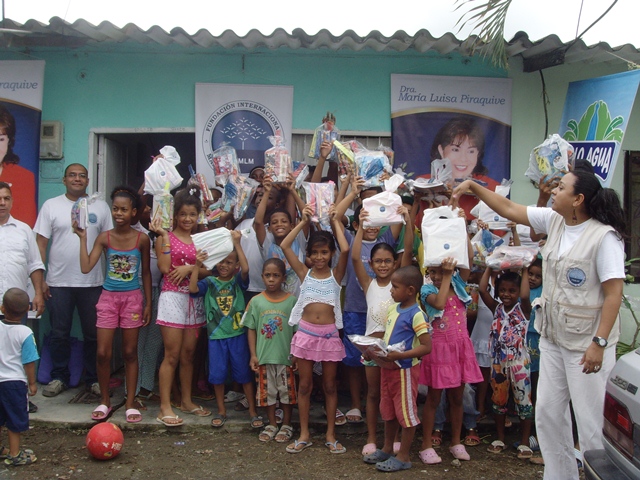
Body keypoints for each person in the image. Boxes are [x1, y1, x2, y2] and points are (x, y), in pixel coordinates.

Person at [451, 170, 626, 480]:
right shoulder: (555, 220)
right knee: (546, 414)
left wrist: (598, 344)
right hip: (554, 340)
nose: (553, 191)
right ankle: (560, 475)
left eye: (561, 188)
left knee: (589, 423)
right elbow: (509, 209)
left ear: (578, 199)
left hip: (586, 346)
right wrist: (472, 187)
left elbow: (614, 294)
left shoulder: (604, 237)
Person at [74, 186, 152, 423]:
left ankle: (130, 402)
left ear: (134, 212)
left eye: (124, 209)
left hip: (133, 299)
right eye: (115, 209)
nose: (119, 213)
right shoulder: (104, 237)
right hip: (108, 299)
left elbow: (147, 273)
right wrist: (83, 238)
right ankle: (105, 400)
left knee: (129, 352)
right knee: (102, 352)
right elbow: (86, 267)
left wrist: (147, 303)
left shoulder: (142, 239)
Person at [35, 163, 113, 397]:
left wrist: (112, 281)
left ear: (88, 181)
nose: (77, 179)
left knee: (93, 333)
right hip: (58, 282)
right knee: (59, 332)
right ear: (64, 180)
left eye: (82, 176)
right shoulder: (52, 206)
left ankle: (93, 379)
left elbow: (110, 243)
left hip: (94, 283)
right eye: (72, 175)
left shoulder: (100, 206)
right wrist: (41, 280)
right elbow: (40, 243)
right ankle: (59, 377)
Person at [334, 174, 401, 425]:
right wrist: (353, 193)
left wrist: (390, 190)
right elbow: (335, 216)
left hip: (384, 316)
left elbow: (398, 218)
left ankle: (379, 403)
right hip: (354, 309)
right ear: (357, 222)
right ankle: (355, 404)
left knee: (379, 361)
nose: (372, 224)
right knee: (354, 360)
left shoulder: (385, 242)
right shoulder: (352, 239)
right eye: (365, 218)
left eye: (375, 219)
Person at [282, 205, 349, 455]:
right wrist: (304, 221)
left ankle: (331, 434)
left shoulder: (336, 274)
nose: (320, 257)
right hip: (306, 335)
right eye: (315, 253)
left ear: (330, 253)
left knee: (330, 386)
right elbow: (286, 246)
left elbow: (345, 248)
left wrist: (334, 222)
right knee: (305, 386)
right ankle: (304, 434)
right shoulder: (304, 273)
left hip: (330, 335)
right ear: (309, 254)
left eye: (324, 252)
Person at [352, 207, 414, 456]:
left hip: (396, 351)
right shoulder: (368, 283)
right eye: (378, 261)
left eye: (388, 260)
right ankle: (370, 438)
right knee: (374, 394)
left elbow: (408, 250)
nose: (383, 265)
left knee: (394, 395)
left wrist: (408, 221)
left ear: (395, 263)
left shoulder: (400, 284)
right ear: (372, 263)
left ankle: (394, 438)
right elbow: (355, 258)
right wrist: (359, 228)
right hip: (372, 349)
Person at [189, 232, 262, 429]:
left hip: (238, 335)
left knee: (244, 375)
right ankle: (221, 410)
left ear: (235, 266)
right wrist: (197, 265)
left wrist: (237, 243)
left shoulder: (237, 281)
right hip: (216, 335)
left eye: (229, 262)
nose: (224, 265)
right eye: (221, 262)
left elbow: (246, 268)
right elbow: (193, 289)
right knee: (218, 375)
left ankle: (253, 412)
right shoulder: (210, 283)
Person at [362, 266, 432, 472]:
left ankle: (403, 456)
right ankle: (387, 448)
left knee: (406, 413)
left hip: (405, 370)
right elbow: (387, 337)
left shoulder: (417, 314)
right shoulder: (394, 309)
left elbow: (426, 346)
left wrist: (400, 356)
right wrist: (372, 351)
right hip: (388, 368)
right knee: (389, 410)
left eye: (395, 287)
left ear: (410, 290)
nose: (391, 291)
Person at [150, 190, 211, 427]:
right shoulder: (164, 237)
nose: (187, 219)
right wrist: (164, 234)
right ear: (175, 216)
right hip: (172, 299)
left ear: (198, 216)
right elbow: (165, 268)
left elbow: (209, 269)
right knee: (172, 355)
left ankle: (186, 400)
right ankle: (165, 406)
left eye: (192, 214)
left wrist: (189, 269)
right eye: (183, 214)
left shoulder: (200, 241)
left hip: (194, 300)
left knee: (188, 355)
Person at [418, 257, 483, 464]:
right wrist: (446, 275)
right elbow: (439, 303)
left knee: (457, 397)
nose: (436, 276)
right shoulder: (427, 291)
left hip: (460, 349)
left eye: (441, 271)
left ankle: (456, 441)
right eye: (432, 272)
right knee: (434, 399)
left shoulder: (458, 284)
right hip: (439, 349)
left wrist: (461, 226)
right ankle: (426, 445)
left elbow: (469, 258)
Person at [479, 268, 534, 458]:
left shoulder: (524, 309)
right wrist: (489, 267)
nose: (506, 294)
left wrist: (525, 269)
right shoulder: (497, 308)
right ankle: (500, 438)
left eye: (512, 291)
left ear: (518, 292)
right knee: (498, 401)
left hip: (519, 363)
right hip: (498, 363)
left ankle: (525, 442)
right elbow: (482, 290)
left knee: (524, 402)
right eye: (502, 290)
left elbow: (526, 294)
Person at [242, 258, 298, 443]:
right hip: (264, 358)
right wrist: (253, 355)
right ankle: (272, 424)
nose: (271, 279)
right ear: (262, 277)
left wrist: (296, 355)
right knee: (268, 393)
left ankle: (287, 424)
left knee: (287, 393)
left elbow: (297, 331)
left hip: (285, 358)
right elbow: (251, 328)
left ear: (283, 278)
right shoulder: (256, 302)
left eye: (276, 275)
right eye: (268, 275)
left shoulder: (292, 302)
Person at [0, 288, 39, 466]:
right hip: (14, 383)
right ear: (26, 310)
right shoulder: (25, 333)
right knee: (14, 419)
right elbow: (29, 362)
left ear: (2, 308)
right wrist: (32, 383)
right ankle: (15, 454)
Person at [0, 182, 45, 317]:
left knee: (18, 338)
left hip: (16, 307)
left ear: (12, 201)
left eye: (6, 198)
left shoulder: (24, 230)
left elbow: (35, 264)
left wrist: (38, 294)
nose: (2, 203)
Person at [0, 106, 36, 227]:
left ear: (9, 141)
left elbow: (26, 224)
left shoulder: (24, 177)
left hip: (12, 241)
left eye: (1, 139)